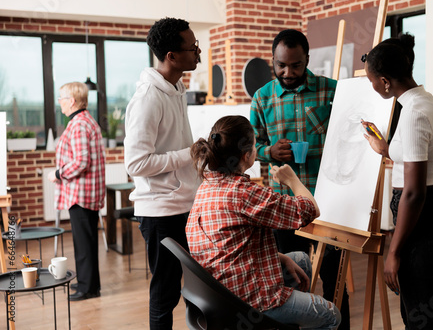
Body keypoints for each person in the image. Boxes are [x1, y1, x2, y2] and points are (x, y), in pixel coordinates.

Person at [187, 115, 341, 330]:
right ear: (248, 155)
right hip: (245, 301)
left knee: (300, 260)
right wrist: (291, 179)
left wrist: (277, 257)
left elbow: (229, 244)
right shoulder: (244, 193)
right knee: (331, 315)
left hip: (217, 290)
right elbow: (309, 209)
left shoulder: (207, 185)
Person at [249, 28, 350, 328]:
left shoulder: (332, 91)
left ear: (307, 59)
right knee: (289, 276)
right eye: (281, 65)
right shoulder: (261, 98)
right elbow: (250, 149)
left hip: (328, 201)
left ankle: (337, 324)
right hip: (281, 204)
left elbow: (349, 139)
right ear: (273, 61)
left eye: (295, 65)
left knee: (334, 273)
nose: (288, 72)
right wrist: (268, 151)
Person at [361, 33, 433, 330]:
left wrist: (394, 253)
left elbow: (414, 193)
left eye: (372, 80)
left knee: (421, 321)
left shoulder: (415, 113)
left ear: (386, 81)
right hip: (428, 217)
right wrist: (385, 148)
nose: (372, 86)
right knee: (418, 315)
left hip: (423, 220)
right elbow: (415, 157)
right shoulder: (424, 102)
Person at [124, 17, 201, 330]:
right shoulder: (147, 99)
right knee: (166, 293)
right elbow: (136, 163)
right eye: (192, 47)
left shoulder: (177, 87)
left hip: (186, 205)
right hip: (160, 212)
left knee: (199, 288)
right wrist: (189, 154)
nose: (198, 52)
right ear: (171, 56)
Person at [48, 81, 105, 301]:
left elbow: (81, 161)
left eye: (61, 98)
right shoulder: (83, 121)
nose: (59, 102)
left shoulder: (79, 124)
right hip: (84, 193)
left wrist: (58, 173)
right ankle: (90, 284)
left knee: (84, 243)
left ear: (71, 101)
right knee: (86, 242)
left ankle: (87, 288)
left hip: (81, 195)